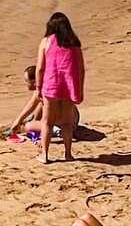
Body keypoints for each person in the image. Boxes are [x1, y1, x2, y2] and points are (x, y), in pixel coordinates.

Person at [36, 12, 85, 163]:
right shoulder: (74, 43)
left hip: (51, 86)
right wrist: (80, 89)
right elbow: (81, 69)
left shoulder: (46, 42)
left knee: (47, 122)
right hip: (68, 88)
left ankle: (44, 155)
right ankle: (68, 153)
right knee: (66, 123)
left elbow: (40, 68)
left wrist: (38, 88)